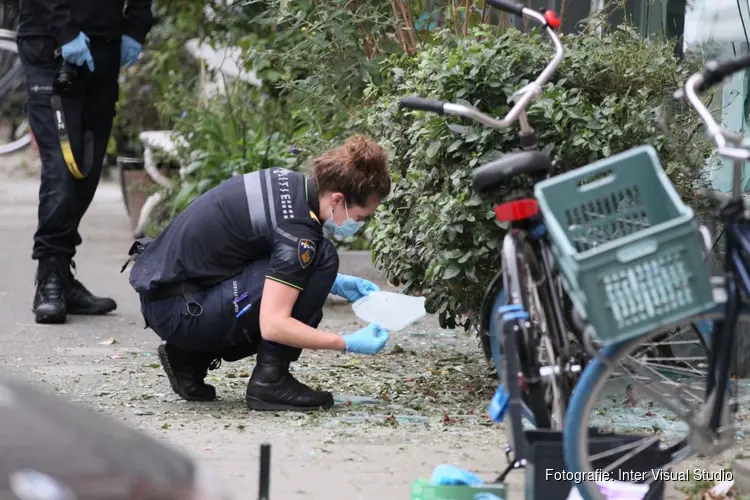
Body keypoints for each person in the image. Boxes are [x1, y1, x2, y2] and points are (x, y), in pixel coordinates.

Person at [127, 135, 392, 412]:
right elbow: (274, 325)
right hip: (183, 310)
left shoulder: (288, 184)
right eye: (362, 217)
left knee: (311, 265)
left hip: (168, 298)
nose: (360, 224)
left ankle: (189, 358)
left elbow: (257, 253)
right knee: (321, 258)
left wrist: (335, 285)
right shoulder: (299, 233)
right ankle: (271, 381)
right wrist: (347, 343)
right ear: (338, 199)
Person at [17, 0, 153, 324]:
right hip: (49, 45)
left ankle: (62, 275)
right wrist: (65, 31)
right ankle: (49, 278)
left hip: (103, 46)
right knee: (62, 168)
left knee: (86, 171)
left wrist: (135, 26)